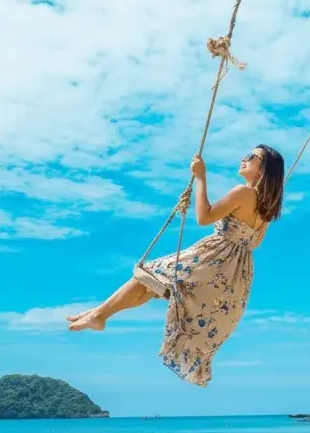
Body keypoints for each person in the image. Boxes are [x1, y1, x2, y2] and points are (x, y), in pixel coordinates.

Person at [66, 146, 285, 386]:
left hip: (214, 258)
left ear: (263, 170)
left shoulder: (243, 192)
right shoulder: (267, 214)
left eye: (252, 157)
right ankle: (98, 313)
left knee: (149, 275)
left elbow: (204, 217)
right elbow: (251, 244)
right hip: (234, 276)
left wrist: (201, 177)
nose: (244, 158)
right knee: (153, 285)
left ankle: (98, 315)